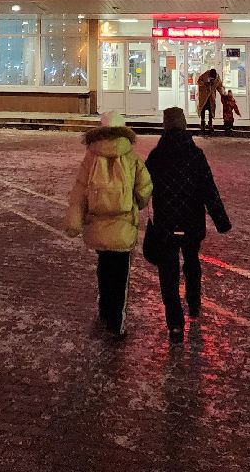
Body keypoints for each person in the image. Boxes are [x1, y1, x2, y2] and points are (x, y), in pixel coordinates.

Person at [64, 110, 153, 339]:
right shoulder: (131, 157)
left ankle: (104, 311)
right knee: (120, 275)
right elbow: (145, 188)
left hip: (99, 226)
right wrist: (138, 203)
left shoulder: (91, 157)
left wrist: (74, 222)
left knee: (104, 269)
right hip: (123, 227)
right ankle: (116, 321)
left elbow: (79, 191)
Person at [145, 106, 230, 343]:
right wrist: (221, 221)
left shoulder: (156, 156)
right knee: (192, 262)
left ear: (165, 126)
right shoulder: (196, 154)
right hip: (192, 222)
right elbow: (208, 189)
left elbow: (143, 188)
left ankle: (174, 323)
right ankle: (193, 303)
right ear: (183, 125)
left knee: (168, 272)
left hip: (166, 224)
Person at [195, 67, 220, 133]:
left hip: (211, 97)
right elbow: (198, 81)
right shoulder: (204, 76)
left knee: (211, 110)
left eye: (213, 78)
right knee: (202, 109)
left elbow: (219, 86)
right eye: (211, 78)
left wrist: (223, 93)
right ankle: (203, 123)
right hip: (203, 97)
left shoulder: (217, 78)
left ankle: (210, 124)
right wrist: (204, 84)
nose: (212, 79)